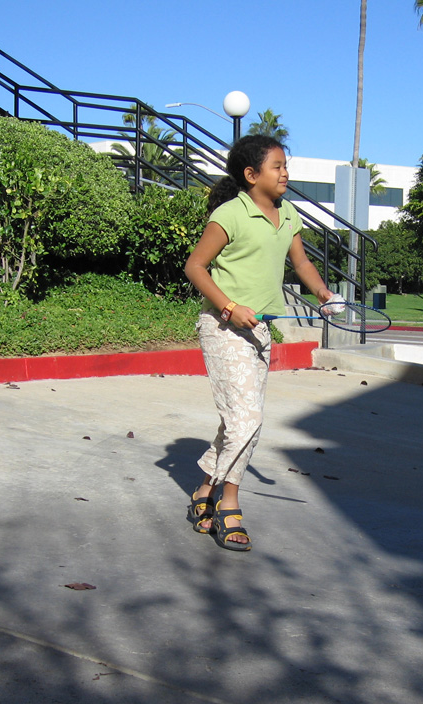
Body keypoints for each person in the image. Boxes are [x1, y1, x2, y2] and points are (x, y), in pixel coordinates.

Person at [184, 135, 336, 551]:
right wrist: (230, 306)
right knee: (247, 421)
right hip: (222, 327)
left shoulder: (287, 214)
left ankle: (202, 491)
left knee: (237, 421)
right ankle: (228, 503)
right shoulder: (229, 214)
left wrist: (322, 294)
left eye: (286, 165)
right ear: (251, 175)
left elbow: (300, 261)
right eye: (277, 166)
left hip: (261, 331)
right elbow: (195, 267)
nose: (285, 173)